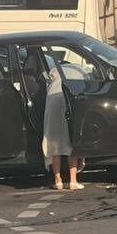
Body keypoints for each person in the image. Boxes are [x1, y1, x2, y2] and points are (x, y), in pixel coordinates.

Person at [42, 60, 84, 191]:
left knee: (55, 144)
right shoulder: (77, 72)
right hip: (67, 105)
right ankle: (73, 180)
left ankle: (58, 180)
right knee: (71, 143)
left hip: (52, 106)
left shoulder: (53, 73)